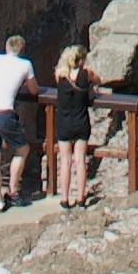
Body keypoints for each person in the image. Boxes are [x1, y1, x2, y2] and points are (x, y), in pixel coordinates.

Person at [0, 36, 38, 211]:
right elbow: (34, 90)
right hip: (4, 113)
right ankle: (12, 191)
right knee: (22, 150)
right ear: (22, 50)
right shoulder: (25, 65)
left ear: (6, 48)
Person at [45, 47, 101, 211]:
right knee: (80, 160)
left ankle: (64, 199)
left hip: (63, 122)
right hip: (81, 121)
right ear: (82, 60)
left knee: (65, 161)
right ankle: (80, 198)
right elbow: (99, 80)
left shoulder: (60, 75)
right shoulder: (87, 74)